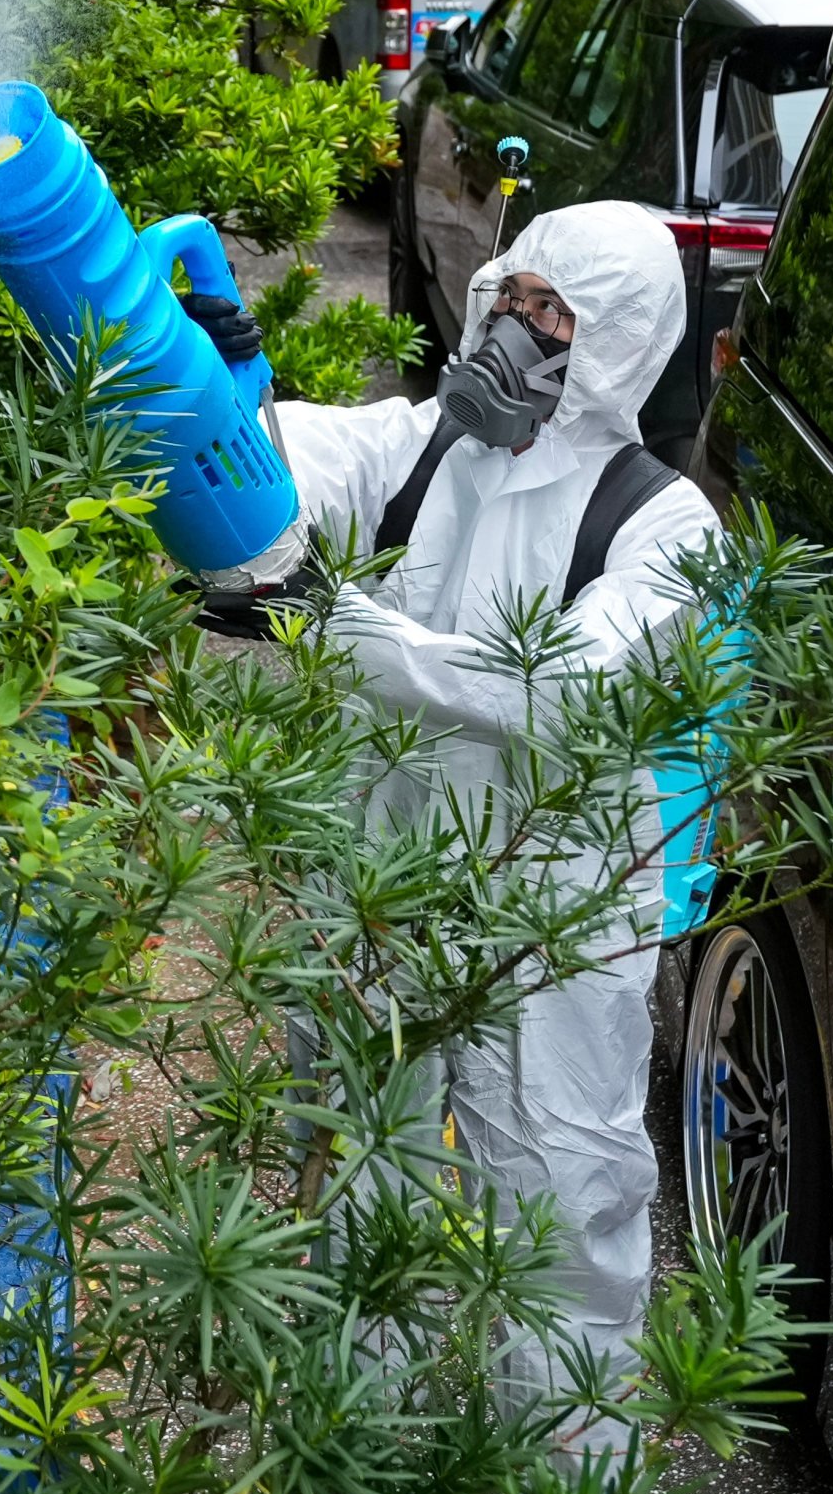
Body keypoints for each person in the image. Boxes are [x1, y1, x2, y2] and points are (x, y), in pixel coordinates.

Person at [202, 205, 718, 1421]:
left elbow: (557, 691)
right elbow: (272, 481)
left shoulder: (662, 525)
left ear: (619, 346)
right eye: (512, 296)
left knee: (561, 1204)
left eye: (554, 315)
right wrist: (216, 398)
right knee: (356, 1160)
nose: (514, 332)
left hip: (552, 918)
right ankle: (356, 1449)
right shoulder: (420, 448)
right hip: (379, 889)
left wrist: (324, 617)